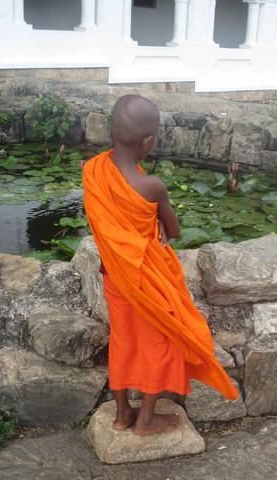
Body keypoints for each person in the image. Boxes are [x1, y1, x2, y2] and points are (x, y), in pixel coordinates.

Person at [83, 94, 239, 436]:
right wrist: (159, 227)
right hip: (149, 281)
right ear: (149, 141)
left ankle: (123, 413)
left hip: (114, 277)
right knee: (162, 342)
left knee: (123, 341)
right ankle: (147, 419)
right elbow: (176, 230)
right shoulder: (152, 185)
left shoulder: (94, 171)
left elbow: (106, 227)